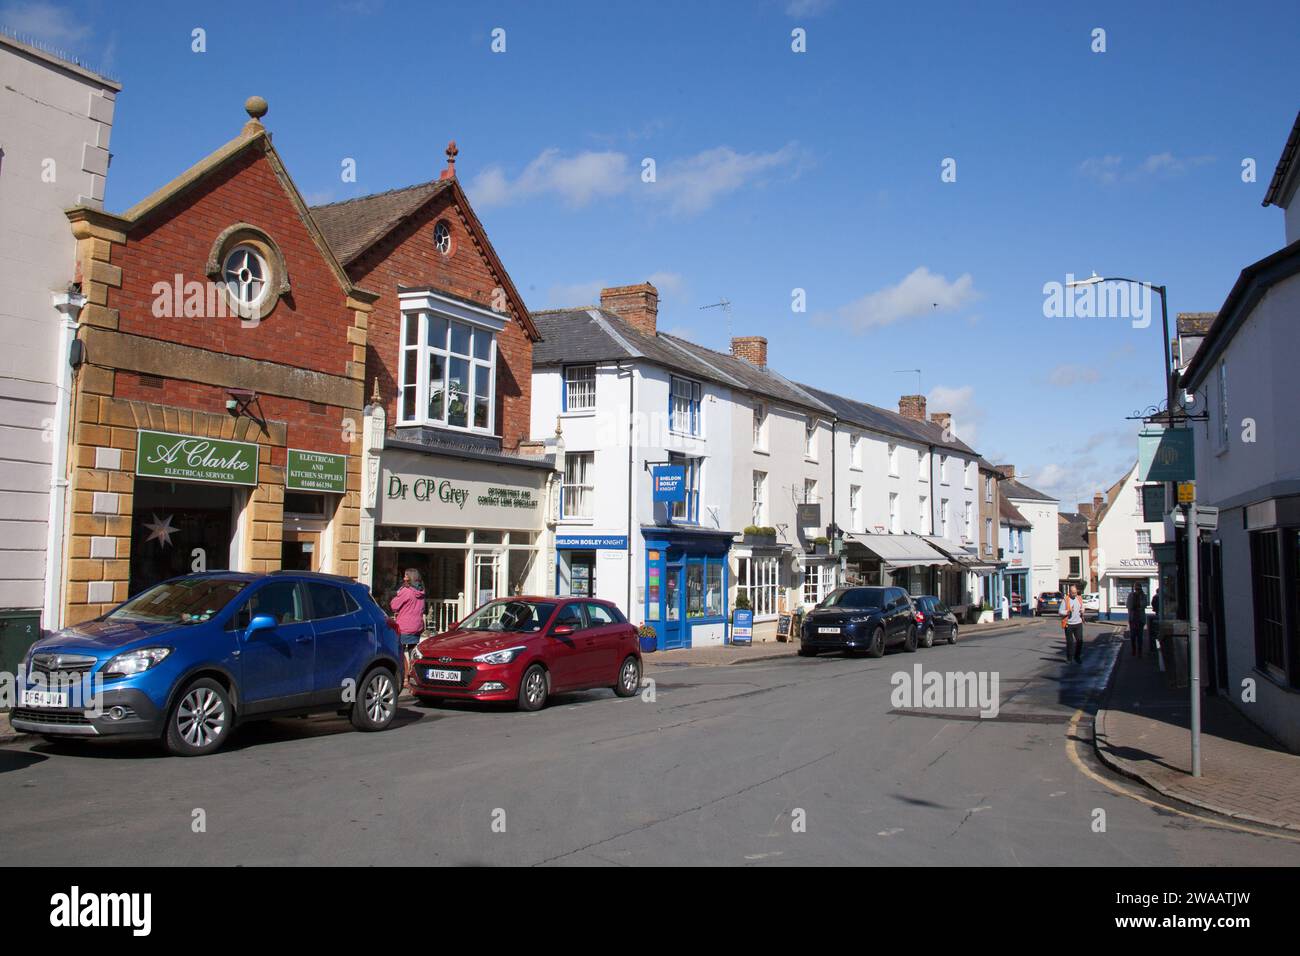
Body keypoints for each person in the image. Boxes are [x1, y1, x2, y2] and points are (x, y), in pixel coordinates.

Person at [391, 568, 427, 678]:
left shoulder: (406, 591)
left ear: (410, 578)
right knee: (412, 652)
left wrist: (397, 595)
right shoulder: (421, 592)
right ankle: (414, 674)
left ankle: (404, 676)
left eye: (406, 576)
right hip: (416, 626)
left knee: (400, 652)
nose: (403, 578)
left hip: (404, 627)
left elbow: (394, 606)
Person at [1059, 584, 1085, 663]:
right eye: (1073, 593)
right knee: (1070, 643)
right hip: (1069, 624)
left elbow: (1082, 607)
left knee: (1080, 641)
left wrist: (1082, 610)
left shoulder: (1079, 598)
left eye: (1075, 592)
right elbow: (1060, 612)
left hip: (1078, 623)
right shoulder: (1065, 600)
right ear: (1069, 592)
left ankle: (1077, 657)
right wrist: (1067, 612)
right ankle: (1069, 659)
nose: (1074, 594)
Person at [1126, 583, 1148, 657]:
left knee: (1140, 636)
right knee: (1132, 636)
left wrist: (1138, 605)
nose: (1138, 590)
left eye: (1139, 589)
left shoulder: (1143, 596)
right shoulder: (1131, 595)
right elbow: (1128, 605)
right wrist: (1136, 605)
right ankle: (1134, 650)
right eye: (1136, 589)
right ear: (1135, 589)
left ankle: (1139, 651)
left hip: (1140, 619)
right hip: (1132, 619)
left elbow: (1144, 605)